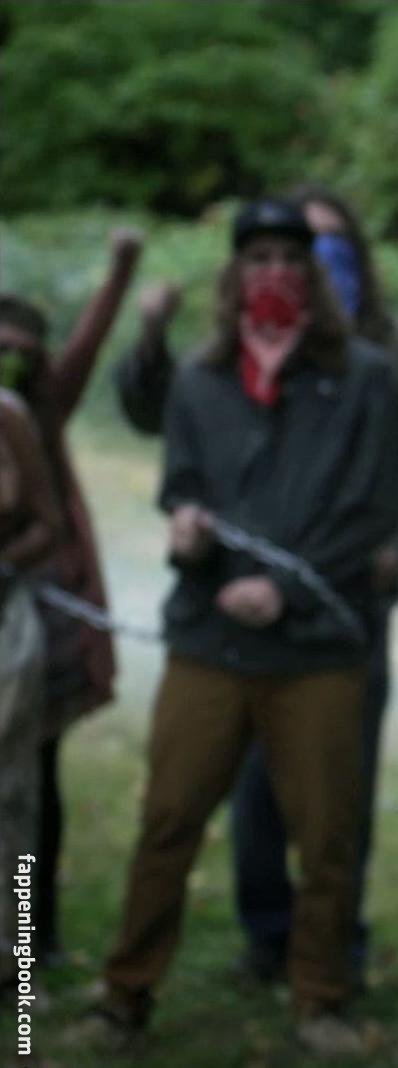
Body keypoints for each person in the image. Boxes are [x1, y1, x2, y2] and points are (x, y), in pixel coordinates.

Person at [80, 199, 398, 1055]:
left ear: (314, 274)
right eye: (258, 257)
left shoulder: (363, 376)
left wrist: (283, 591)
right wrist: (191, 544)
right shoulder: (202, 378)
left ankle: (320, 998)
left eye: (291, 258)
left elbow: (373, 507)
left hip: (318, 647)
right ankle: (124, 996)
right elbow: (180, 487)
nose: (275, 273)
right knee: (168, 820)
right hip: (210, 640)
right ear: (235, 275)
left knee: (326, 836)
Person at [0, 228, 142, 964]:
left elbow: (87, 344)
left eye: (21, 350)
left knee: (31, 781)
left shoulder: (41, 411)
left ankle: (32, 937)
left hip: (40, 616)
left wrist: (120, 272)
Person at [0, 384, 63, 989]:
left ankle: (16, 964)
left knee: (10, 799)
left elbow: (49, 524)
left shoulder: (8, 416)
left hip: (4, 630)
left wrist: (6, 563)